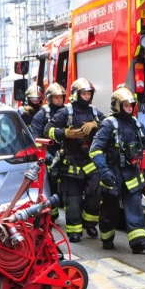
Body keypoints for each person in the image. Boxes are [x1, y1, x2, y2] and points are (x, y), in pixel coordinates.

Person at [90, 87, 145, 253]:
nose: (129, 108)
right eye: (125, 105)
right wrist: (104, 172)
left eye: (131, 105)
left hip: (131, 173)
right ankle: (106, 237)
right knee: (110, 210)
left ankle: (139, 242)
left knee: (135, 206)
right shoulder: (108, 125)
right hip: (112, 175)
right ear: (117, 106)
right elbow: (95, 150)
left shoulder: (136, 123)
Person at [48, 78, 104, 243]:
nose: (86, 97)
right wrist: (65, 133)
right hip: (71, 162)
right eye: (84, 93)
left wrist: (95, 124)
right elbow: (48, 129)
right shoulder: (66, 112)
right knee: (73, 199)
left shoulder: (94, 112)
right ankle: (74, 231)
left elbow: (109, 124)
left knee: (96, 192)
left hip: (90, 160)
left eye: (89, 94)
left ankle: (90, 223)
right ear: (76, 94)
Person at [31, 83, 66, 217]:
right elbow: (36, 139)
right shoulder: (41, 115)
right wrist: (46, 156)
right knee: (50, 185)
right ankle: (52, 213)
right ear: (50, 98)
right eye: (56, 97)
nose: (59, 100)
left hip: (65, 153)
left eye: (61, 97)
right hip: (49, 155)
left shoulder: (69, 112)